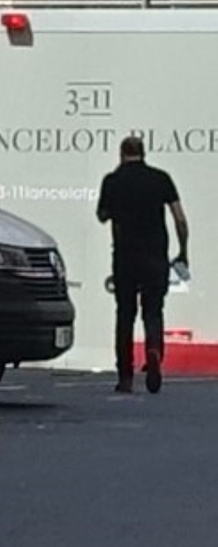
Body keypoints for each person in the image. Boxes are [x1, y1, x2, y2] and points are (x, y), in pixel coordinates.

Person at [97, 134, 189, 395]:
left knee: (125, 315)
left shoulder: (113, 181)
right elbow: (180, 219)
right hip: (155, 255)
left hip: (125, 256)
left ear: (121, 153)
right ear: (143, 153)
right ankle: (154, 351)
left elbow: (103, 216)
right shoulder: (160, 178)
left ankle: (125, 376)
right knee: (153, 310)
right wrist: (183, 251)